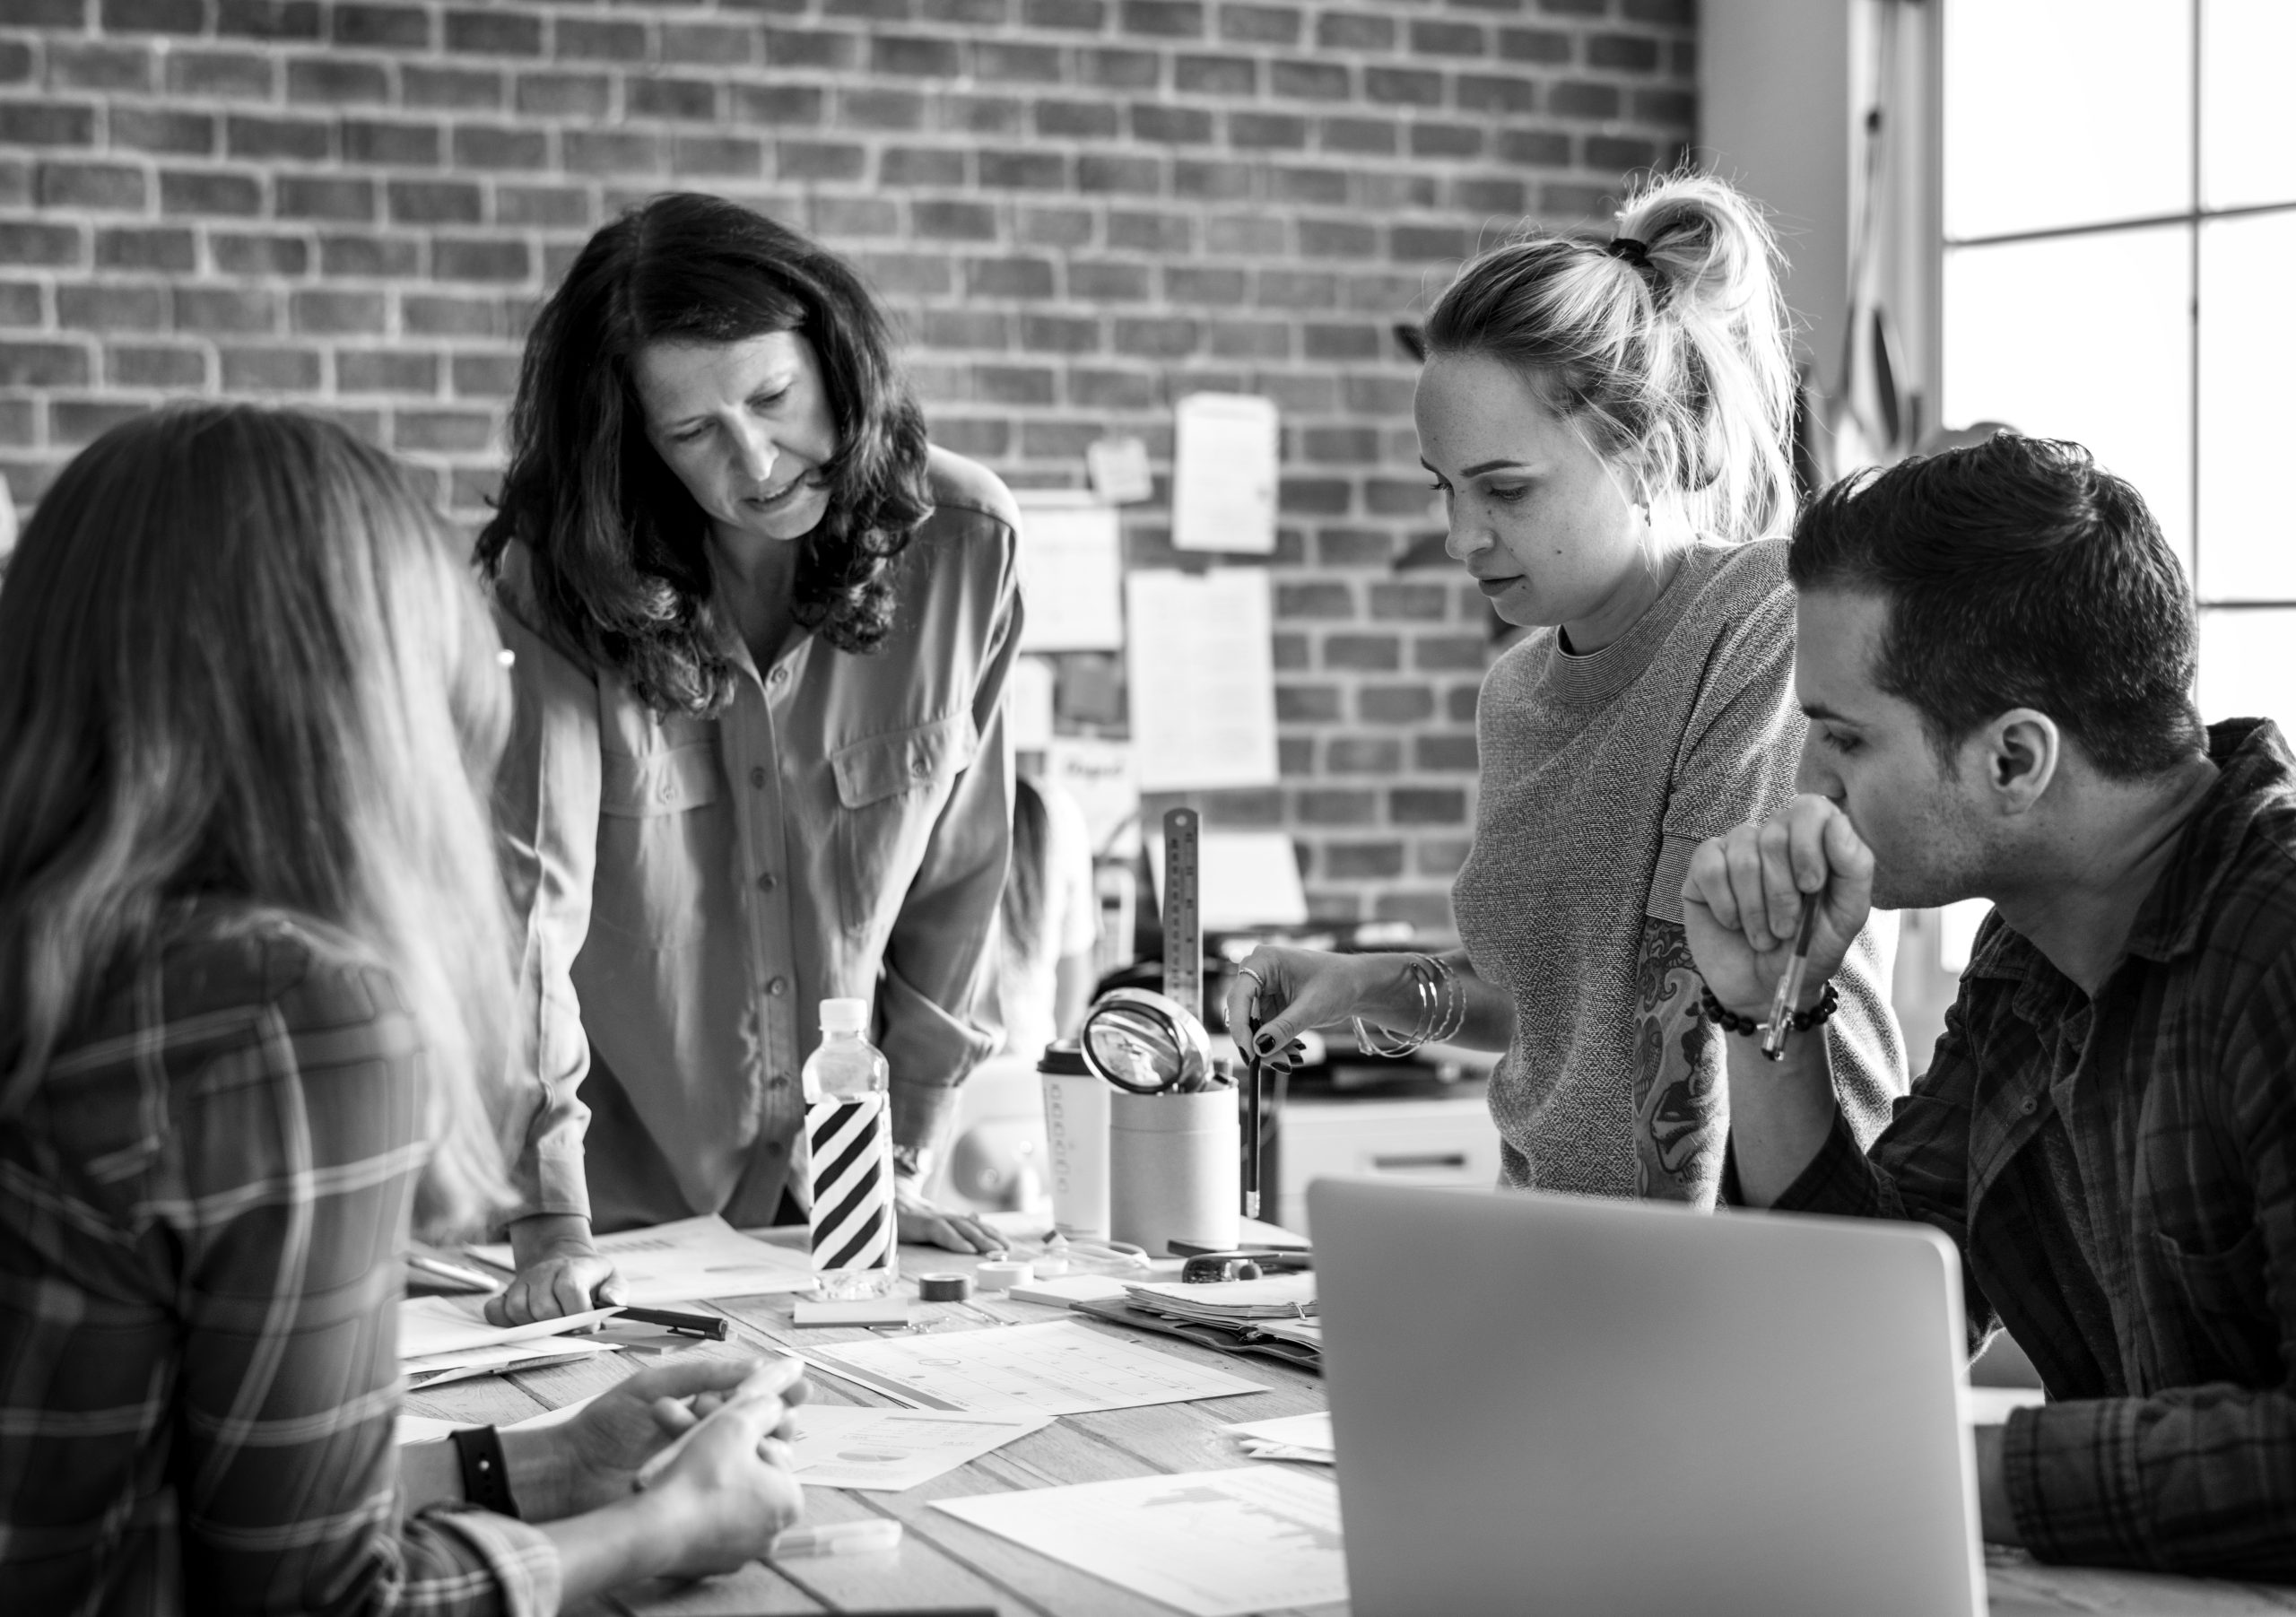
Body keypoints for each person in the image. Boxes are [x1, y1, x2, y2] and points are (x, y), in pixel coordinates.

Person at [0, 405, 808, 1611]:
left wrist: (542, 1458)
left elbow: (156, 1489)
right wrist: (660, 1527)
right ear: (359, 694)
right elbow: (315, 1600)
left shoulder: (66, 957)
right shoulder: (278, 1009)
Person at [1683, 433, 2296, 1577]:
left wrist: (1932, 1475)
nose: (1808, 782)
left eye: (1844, 734)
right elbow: (1862, 1332)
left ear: (2015, 759)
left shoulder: (2274, 948)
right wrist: (1770, 1007)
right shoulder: (2028, 948)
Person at [1229, 173, 1904, 1204]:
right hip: (1572, 1257)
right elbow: (1555, 1014)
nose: (1461, 538)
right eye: (1442, 489)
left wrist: (1619, 1307)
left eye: (1504, 489)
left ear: (1648, 454)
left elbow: (1693, 1017)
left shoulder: (1763, 614)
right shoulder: (1518, 694)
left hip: (1758, 1260)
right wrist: (1359, 985)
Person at [477, 194, 1021, 1322]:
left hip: (840, 1208)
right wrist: (549, 1222)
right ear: (635, 444)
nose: (757, 459)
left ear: (835, 355)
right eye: (692, 434)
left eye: (773, 398)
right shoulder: (563, 585)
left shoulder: (966, 543)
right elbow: (528, 911)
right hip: (620, 1226)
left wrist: (900, 1162)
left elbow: (960, 885)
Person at [996, 771, 1100, 1061]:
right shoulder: (1055, 808)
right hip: (1030, 1068)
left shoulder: (920, 803)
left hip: (933, 1083)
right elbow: (1073, 982)